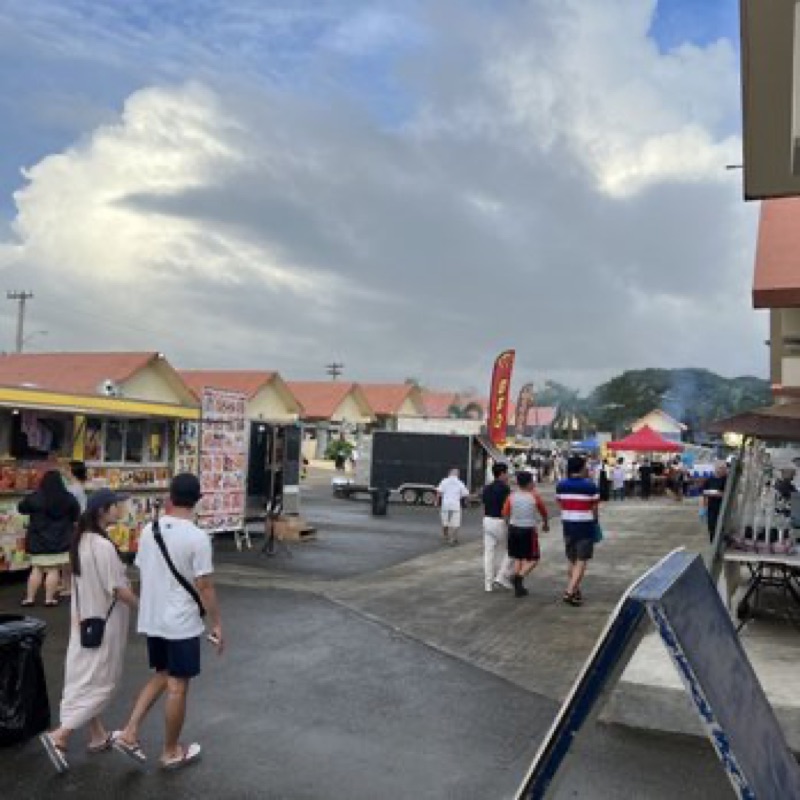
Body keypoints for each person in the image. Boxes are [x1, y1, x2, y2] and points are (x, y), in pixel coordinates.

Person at [113, 473, 223, 770]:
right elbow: (204, 586)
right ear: (197, 500)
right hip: (181, 622)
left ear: (170, 498)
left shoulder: (150, 530)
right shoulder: (198, 538)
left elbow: (143, 569)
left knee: (162, 673)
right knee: (177, 685)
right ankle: (171, 750)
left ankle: (129, 732)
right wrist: (217, 623)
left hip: (153, 619)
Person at [39, 489, 139, 774]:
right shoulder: (102, 545)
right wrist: (143, 606)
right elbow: (118, 589)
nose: (121, 509)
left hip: (85, 622)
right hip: (105, 626)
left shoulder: (80, 540)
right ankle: (61, 735)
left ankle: (97, 735)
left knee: (85, 677)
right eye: (116, 506)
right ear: (103, 511)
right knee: (102, 682)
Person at [19, 470, 81, 607]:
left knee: (36, 569)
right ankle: (49, 599)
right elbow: (76, 515)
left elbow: (21, 508)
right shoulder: (68, 498)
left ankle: (30, 598)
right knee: (53, 570)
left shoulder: (35, 497)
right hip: (60, 540)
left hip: (37, 540)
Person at [556, 456, 600, 607]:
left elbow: (560, 503)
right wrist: (595, 523)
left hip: (567, 525)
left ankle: (575, 592)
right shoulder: (590, 486)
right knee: (581, 561)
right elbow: (594, 508)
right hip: (584, 526)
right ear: (581, 468)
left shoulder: (561, 485)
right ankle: (569, 591)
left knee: (572, 560)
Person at [502, 471, 549, 598]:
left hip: (513, 528)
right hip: (528, 530)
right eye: (532, 481)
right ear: (529, 483)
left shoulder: (511, 496)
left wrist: (509, 525)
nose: (534, 483)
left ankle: (519, 588)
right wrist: (545, 523)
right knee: (534, 559)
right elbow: (543, 512)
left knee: (518, 557)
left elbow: (505, 513)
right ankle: (518, 577)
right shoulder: (534, 496)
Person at [481, 463, 513, 592]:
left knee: (489, 553)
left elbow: (484, 506)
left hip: (487, 520)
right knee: (513, 550)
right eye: (507, 473)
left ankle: (487, 584)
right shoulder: (505, 489)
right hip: (500, 521)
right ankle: (501, 576)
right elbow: (507, 508)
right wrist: (509, 523)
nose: (508, 475)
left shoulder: (487, 488)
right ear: (502, 474)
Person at [436, 468, 469, 546]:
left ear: (449, 473)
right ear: (457, 474)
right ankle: (453, 539)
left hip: (445, 504)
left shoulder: (444, 481)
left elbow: (439, 492)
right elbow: (465, 493)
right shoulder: (460, 482)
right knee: (455, 522)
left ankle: (445, 536)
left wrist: (437, 502)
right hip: (455, 505)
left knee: (445, 521)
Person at [701, 461, 728, 543]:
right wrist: (703, 507)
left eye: (724, 468)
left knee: (721, 527)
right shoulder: (710, 480)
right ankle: (713, 544)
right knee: (712, 526)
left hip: (723, 507)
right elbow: (704, 493)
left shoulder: (727, 480)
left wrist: (720, 494)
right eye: (720, 468)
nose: (722, 470)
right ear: (715, 469)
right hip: (711, 507)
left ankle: (721, 543)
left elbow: (728, 493)